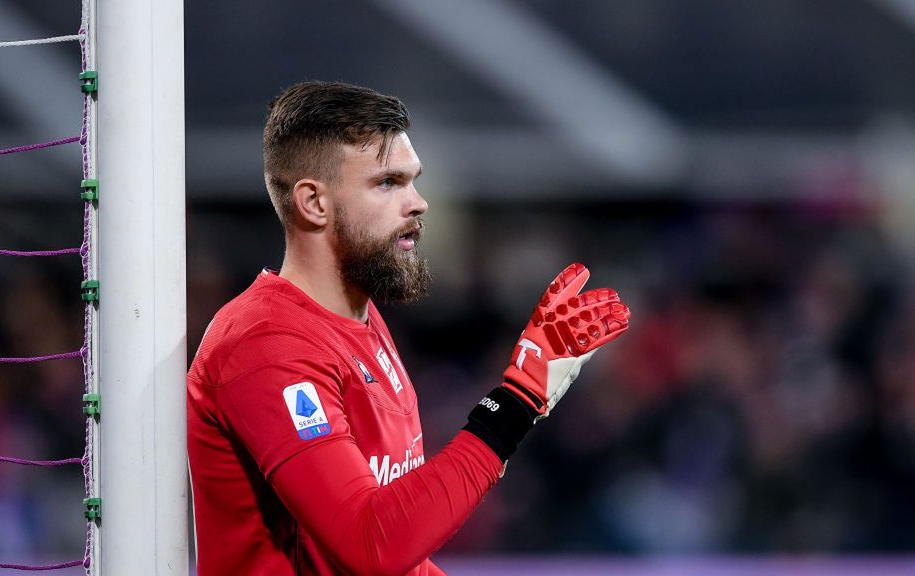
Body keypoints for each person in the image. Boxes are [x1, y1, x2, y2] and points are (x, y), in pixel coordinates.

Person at [187, 80, 630, 575]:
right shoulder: (266, 343)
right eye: (387, 183)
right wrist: (514, 404)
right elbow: (370, 545)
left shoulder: (361, 318)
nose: (418, 203)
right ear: (314, 203)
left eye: (413, 180)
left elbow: (403, 558)